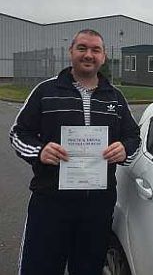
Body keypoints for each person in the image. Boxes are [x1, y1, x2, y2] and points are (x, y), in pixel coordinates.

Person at [9, 29, 141, 275]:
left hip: (97, 205)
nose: (88, 55)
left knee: (88, 268)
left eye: (95, 50)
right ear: (71, 52)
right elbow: (18, 134)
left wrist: (124, 150)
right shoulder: (45, 91)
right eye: (82, 48)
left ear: (103, 57)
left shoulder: (116, 97)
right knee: (40, 268)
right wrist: (39, 151)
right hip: (50, 202)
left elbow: (134, 138)